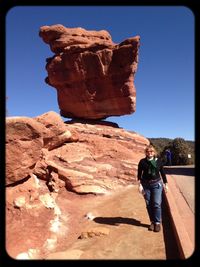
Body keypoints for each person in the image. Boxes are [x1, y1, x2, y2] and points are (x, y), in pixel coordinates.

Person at [137, 145, 168, 232]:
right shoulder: (142, 162)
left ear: (154, 152)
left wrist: (166, 184)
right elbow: (139, 174)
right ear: (145, 152)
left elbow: (163, 173)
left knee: (156, 203)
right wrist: (139, 185)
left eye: (151, 151)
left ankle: (157, 222)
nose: (149, 153)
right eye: (148, 151)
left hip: (157, 184)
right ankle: (152, 222)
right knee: (148, 204)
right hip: (145, 185)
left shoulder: (158, 161)